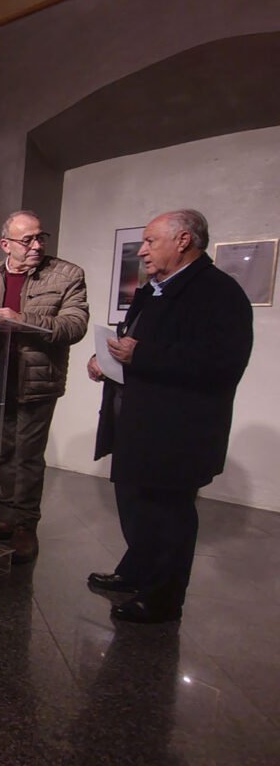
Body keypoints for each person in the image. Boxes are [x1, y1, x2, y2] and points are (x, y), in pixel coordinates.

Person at [87, 209, 252, 624]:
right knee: (135, 503)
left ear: (183, 241)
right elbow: (135, 340)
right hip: (139, 423)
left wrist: (140, 355)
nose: (142, 251)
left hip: (178, 431)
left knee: (167, 513)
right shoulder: (155, 290)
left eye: (150, 241)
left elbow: (222, 364)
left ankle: (162, 599)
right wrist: (105, 358)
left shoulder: (218, 292)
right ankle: (136, 572)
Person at [0, 211, 89, 564]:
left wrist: (22, 320)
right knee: (5, 452)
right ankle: (7, 517)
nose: (37, 245)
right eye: (27, 239)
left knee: (28, 456)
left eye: (40, 237)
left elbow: (74, 325)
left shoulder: (67, 275)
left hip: (36, 381)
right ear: (6, 245)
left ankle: (25, 526)